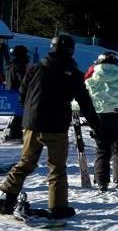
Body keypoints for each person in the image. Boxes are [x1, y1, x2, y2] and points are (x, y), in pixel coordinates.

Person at [0, 35, 101, 219]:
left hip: (32, 123)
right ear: (71, 50)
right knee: (57, 168)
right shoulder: (74, 73)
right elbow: (85, 102)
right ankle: (58, 207)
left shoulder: (36, 68)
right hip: (56, 125)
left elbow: (22, 93)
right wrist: (97, 126)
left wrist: (30, 111)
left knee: (26, 162)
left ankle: (7, 198)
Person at [85, 52, 118, 193]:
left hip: (99, 118)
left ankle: (102, 182)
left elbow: (79, 100)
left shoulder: (90, 81)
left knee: (102, 150)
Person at [3, 45, 31, 141]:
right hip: (19, 96)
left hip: (12, 96)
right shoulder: (19, 66)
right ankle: (15, 133)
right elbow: (23, 82)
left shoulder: (10, 66)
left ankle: (15, 132)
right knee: (23, 113)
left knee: (20, 114)